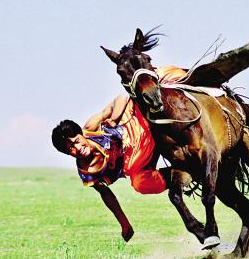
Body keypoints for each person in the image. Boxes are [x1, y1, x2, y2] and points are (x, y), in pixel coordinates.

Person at [51, 67, 187, 241]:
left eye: (76, 141)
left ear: (81, 135)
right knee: (139, 183)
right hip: (137, 162)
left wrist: (114, 119)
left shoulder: (91, 128)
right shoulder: (89, 173)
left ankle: (174, 78)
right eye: (70, 149)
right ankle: (181, 175)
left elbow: (121, 97)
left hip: (135, 131)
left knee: (146, 93)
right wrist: (124, 223)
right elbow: (107, 195)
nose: (77, 149)